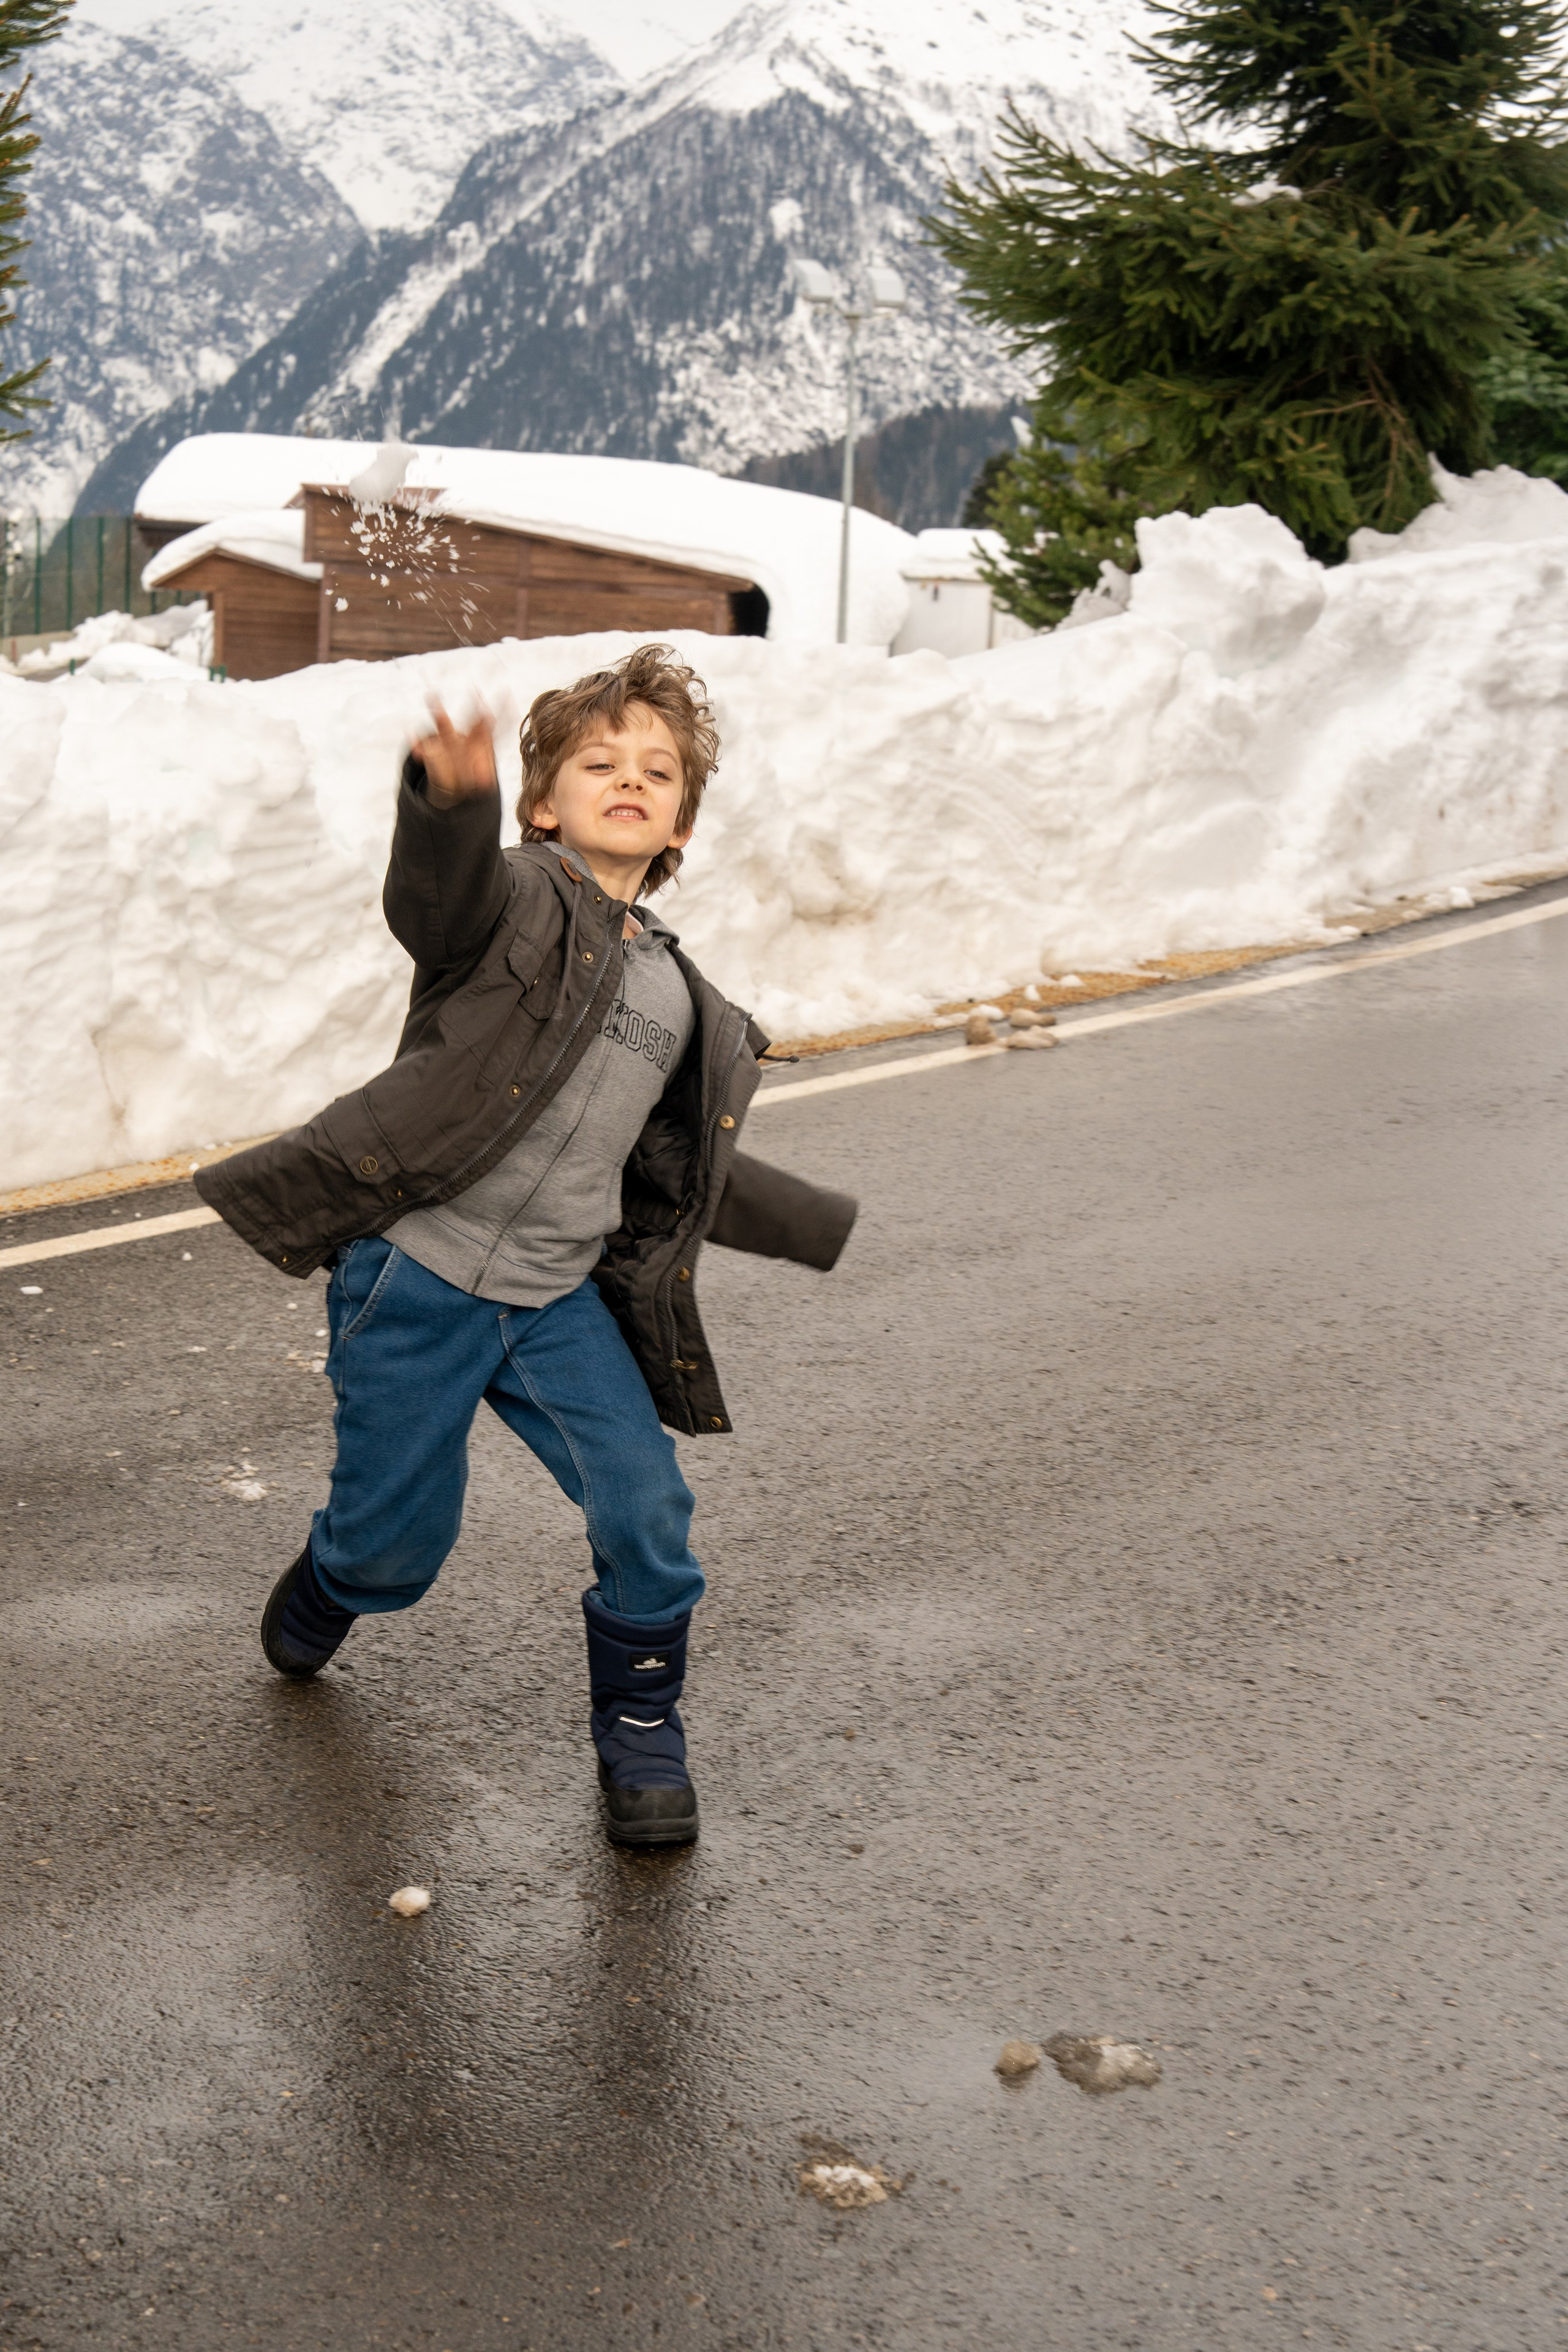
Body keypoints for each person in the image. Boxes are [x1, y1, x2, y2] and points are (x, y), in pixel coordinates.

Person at [197, 643, 856, 1848]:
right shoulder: (511, 905)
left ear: (680, 828)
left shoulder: (680, 998)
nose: (629, 778)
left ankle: (643, 1731)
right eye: (598, 761)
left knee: (645, 1507)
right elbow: (434, 898)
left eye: (656, 771)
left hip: (555, 1306)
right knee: (402, 1549)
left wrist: (811, 1225)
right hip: (418, 1277)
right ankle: (338, 1577)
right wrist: (449, 803)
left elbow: (673, 1170)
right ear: (543, 802)